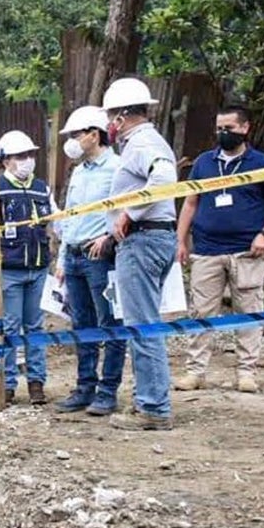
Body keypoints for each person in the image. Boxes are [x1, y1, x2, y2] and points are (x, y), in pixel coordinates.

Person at [174, 106, 264, 394]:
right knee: (201, 313)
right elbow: (190, 204)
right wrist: (180, 241)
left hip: (247, 252)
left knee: (250, 313)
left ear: (245, 128)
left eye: (228, 128)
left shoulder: (262, 163)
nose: (222, 134)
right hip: (206, 251)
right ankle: (195, 372)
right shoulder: (203, 163)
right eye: (219, 129)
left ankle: (247, 373)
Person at [101, 77, 179, 431]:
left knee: (142, 325)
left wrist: (129, 215)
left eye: (109, 117)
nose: (107, 125)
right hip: (152, 239)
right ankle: (150, 400)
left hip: (143, 240)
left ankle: (153, 407)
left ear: (122, 116)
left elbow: (164, 177)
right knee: (145, 322)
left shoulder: (143, 143)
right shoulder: (141, 142)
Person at [0, 130, 58, 405]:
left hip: (38, 269)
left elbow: (57, 223)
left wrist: (60, 259)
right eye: (21, 156)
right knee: (8, 328)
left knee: (35, 327)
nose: (27, 160)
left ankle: (36, 383)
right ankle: (7, 384)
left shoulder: (42, 188)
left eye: (30, 155)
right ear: (5, 160)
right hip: (8, 269)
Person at [53, 106, 126, 416]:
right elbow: (69, 217)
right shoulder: (79, 172)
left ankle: (108, 391)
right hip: (74, 256)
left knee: (110, 323)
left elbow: (128, 211)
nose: (71, 141)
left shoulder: (118, 168)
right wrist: (60, 257)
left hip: (100, 259)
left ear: (94, 135)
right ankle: (85, 387)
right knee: (82, 324)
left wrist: (109, 238)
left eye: (75, 135)